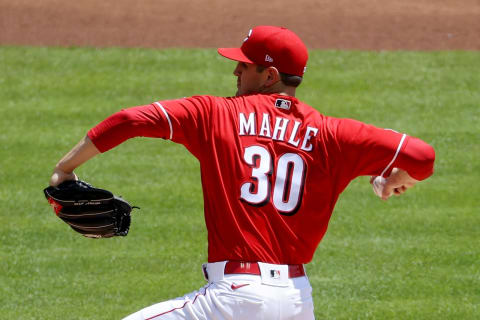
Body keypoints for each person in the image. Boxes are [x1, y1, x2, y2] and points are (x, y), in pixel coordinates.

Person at [49, 26, 435, 319]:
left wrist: (65, 169)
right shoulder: (334, 134)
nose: (235, 69)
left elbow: (130, 120)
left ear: (268, 76)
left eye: (244, 64)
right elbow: (423, 156)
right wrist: (395, 177)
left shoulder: (215, 114)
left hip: (236, 298)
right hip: (297, 302)